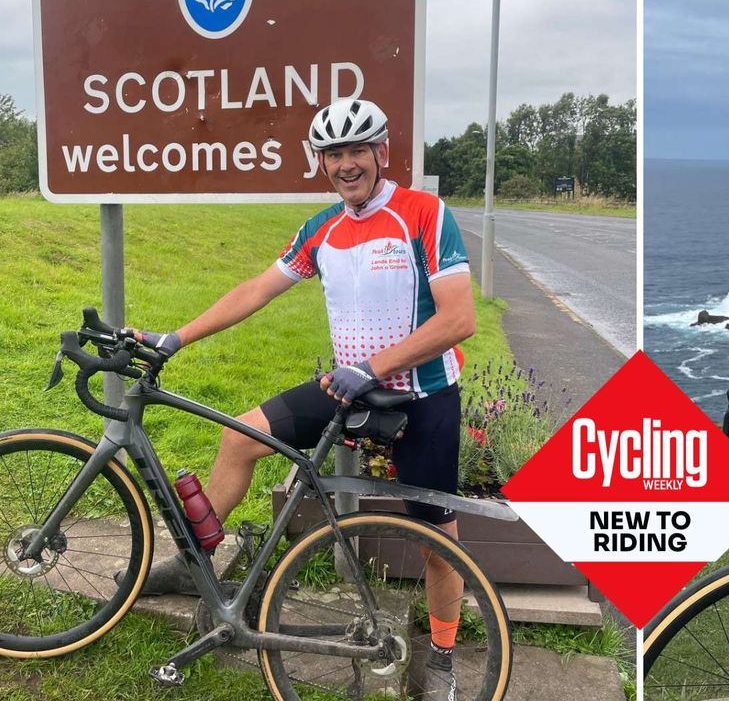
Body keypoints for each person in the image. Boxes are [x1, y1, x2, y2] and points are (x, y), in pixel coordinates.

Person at [121, 98, 473, 699]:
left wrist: (373, 366)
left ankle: (442, 655)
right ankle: (195, 564)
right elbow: (258, 288)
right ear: (321, 162)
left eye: (356, 150)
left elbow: (458, 319)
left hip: (421, 396)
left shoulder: (424, 213)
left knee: (437, 542)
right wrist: (175, 337)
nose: (345, 164)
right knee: (238, 437)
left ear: (381, 154)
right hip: (347, 390)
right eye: (333, 154)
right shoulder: (322, 229)